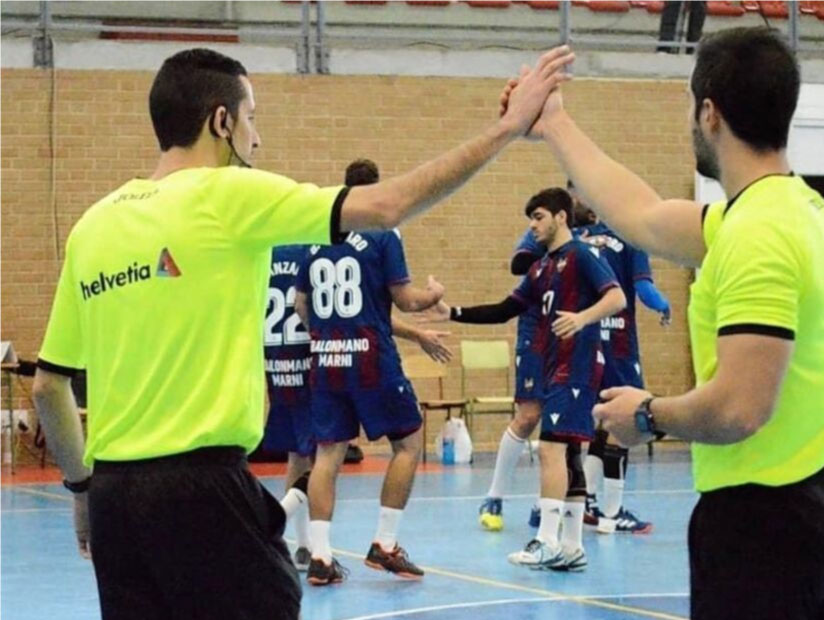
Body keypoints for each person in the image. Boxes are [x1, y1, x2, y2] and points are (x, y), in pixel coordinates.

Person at [30, 45, 573, 619]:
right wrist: (509, 127)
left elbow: (48, 387)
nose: (256, 139)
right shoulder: (227, 193)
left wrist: (83, 489)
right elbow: (389, 205)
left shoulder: (92, 227)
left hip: (115, 501)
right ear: (222, 121)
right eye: (252, 118)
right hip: (201, 492)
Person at [501, 26, 824, 617]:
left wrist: (647, 415)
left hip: (767, 525)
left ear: (709, 113)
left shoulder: (759, 234)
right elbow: (642, 215)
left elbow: (740, 408)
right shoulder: (803, 210)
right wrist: (554, 124)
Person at [427, 187, 626, 571]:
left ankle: (546, 540)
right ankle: (571, 546)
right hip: (553, 367)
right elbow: (506, 309)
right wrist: (451, 312)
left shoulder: (583, 255)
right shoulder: (541, 268)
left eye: (538, 217)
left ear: (561, 216)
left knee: (551, 449)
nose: (532, 226)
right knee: (568, 453)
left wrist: (582, 318)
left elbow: (616, 297)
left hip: (578, 366)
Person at [296, 159, 449, 585]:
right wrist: (433, 293)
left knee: (328, 455)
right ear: (375, 191)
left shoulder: (314, 236)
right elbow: (406, 300)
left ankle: (322, 557)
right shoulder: (384, 232)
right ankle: (385, 544)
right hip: (370, 359)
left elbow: (301, 306)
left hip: (325, 360)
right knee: (408, 443)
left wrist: (329, 336)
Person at [572, 182, 671, 535]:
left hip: (580, 341)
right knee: (626, 423)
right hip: (618, 344)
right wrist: (664, 305)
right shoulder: (630, 238)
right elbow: (643, 289)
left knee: (600, 423)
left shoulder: (574, 239)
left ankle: (588, 501)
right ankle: (613, 513)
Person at [477, 223, 547, 532]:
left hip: (574, 337)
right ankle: (494, 496)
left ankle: (546, 503)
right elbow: (517, 263)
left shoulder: (593, 240)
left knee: (566, 426)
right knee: (529, 416)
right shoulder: (540, 233)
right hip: (536, 336)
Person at [263, 242, 317, 571]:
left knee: (298, 454)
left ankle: (303, 546)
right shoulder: (310, 251)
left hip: (275, 361)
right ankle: (275, 522)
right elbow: (303, 305)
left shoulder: (264, 255)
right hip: (309, 360)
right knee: (327, 455)